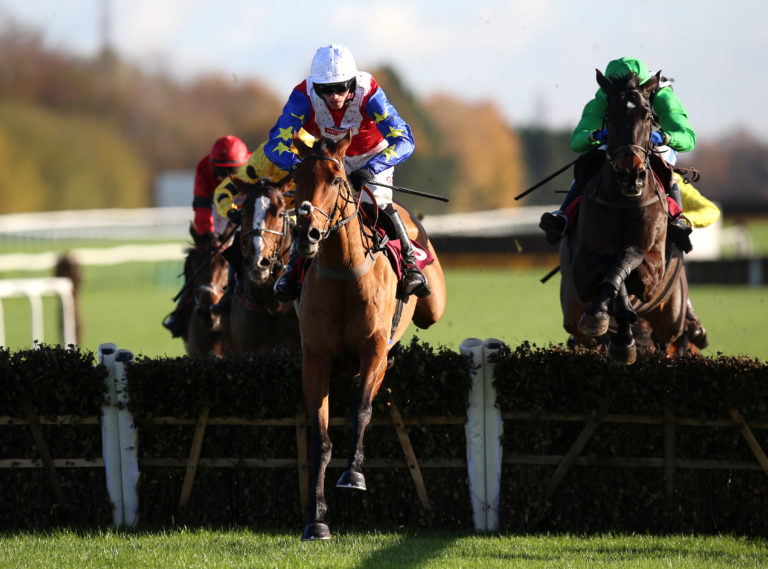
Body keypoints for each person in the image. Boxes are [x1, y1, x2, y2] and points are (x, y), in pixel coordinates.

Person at [262, 44, 430, 301]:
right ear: (315, 87)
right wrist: (298, 166)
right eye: (326, 89)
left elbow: (404, 139)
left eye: (341, 86)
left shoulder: (369, 93)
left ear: (352, 82)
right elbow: (275, 143)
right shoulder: (302, 97)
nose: (335, 95)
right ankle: (292, 271)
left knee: (379, 205)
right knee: (311, 208)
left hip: (372, 156)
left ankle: (409, 265)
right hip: (330, 159)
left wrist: (370, 170)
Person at [539, 57, 700, 251]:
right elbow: (577, 141)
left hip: (653, 139)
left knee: (662, 161)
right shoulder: (604, 96)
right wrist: (595, 135)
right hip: (619, 141)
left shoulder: (662, 95)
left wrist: (664, 137)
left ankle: (677, 217)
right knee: (590, 160)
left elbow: (688, 138)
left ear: (644, 86)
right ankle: (564, 215)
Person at [162, 135, 250, 337]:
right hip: (217, 213)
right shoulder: (203, 169)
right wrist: (210, 236)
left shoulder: (255, 165)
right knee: (202, 260)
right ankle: (182, 312)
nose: (222, 177)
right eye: (219, 171)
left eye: (230, 172)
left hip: (246, 213)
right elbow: (202, 209)